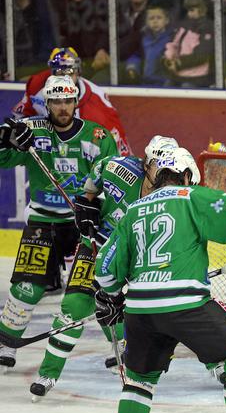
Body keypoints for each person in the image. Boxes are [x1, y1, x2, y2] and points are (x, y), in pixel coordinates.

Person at [94, 149, 226, 413]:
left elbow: (105, 269)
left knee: (139, 379)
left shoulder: (133, 209)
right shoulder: (190, 196)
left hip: (141, 310)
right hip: (186, 304)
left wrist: (110, 297)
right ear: (186, 175)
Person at [29, 136, 187, 399]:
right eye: (158, 167)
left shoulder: (179, 190)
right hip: (98, 244)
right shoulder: (118, 169)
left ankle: (214, 362)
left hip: (140, 258)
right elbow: (98, 169)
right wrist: (88, 200)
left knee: (141, 313)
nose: (164, 175)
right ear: (145, 163)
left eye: (169, 170)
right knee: (76, 306)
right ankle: (48, 373)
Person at [0, 75, 119, 373]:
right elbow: (2, 158)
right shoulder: (31, 131)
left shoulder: (97, 137)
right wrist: (4, 139)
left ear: (76, 102)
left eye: (67, 100)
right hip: (43, 220)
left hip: (83, 224)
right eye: (56, 101)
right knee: (27, 287)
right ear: (47, 104)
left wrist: (95, 207)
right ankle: (6, 343)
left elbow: (112, 179)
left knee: (97, 288)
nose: (62, 107)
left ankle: (124, 347)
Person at [12, 47, 131, 155]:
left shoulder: (97, 105)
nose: (65, 78)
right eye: (60, 72)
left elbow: (119, 149)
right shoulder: (36, 85)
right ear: (51, 72)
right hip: (48, 150)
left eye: (70, 72)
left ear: (78, 71)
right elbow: (21, 115)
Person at [163, 0, 215, 88]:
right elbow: (174, 44)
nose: (188, 13)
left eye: (191, 10)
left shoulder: (208, 28)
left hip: (198, 77)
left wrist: (178, 63)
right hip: (178, 74)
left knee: (186, 87)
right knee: (167, 85)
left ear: (202, 9)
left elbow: (202, 55)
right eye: (188, 10)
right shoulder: (184, 25)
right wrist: (169, 59)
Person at [125, 5, 174, 86]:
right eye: (151, 18)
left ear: (167, 20)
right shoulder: (143, 38)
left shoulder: (172, 38)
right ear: (146, 22)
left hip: (165, 82)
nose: (155, 21)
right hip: (145, 81)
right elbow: (136, 55)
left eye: (159, 18)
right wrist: (132, 67)